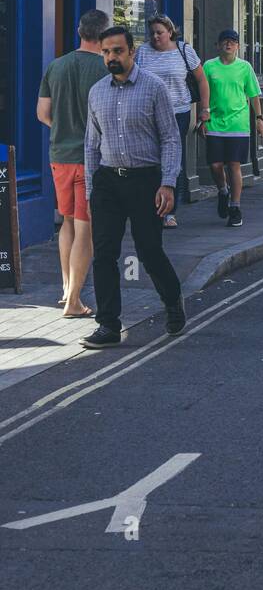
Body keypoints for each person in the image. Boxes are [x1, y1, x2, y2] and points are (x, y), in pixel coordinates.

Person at [81, 25, 185, 348]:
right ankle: (109, 325)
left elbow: (170, 137)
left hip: (145, 181)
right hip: (108, 181)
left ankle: (172, 300)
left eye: (118, 51)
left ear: (132, 52)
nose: (112, 57)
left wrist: (168, 183)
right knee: (104, 254)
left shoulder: (153, 88)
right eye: (106, 52)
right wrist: (90, 191)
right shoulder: (97, 92)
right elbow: (90, 145)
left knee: (149, 251)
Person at [36, 8, 110, 318]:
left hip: (59, 157)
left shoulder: (56, 66)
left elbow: (42, 113)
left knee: (66, 221)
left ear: (79, 31)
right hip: (91, 159)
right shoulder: (106, 68)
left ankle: (67, 288)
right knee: (86, 228)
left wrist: (63, 130)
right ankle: (74, 301)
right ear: (103, 35)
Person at [134, 14, 209, 227]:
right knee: (150, 158)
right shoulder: (142, 52)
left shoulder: (184, 50)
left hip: (178, 112)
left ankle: (169, 212)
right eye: (152, 33)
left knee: (173, 158)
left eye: (160, 32)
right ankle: (152, 206)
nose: (156, 37)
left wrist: (205, 109)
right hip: (149, 113)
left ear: (170, 31)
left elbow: (202, 80)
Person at [202, 29, 263, 227]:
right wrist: (201, 118)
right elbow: (202, 93)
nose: (228, 45)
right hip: (214, 122)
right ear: (218, 45)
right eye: (225, 41)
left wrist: (259, 118)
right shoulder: (209, 66)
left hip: (238, 123)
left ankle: (235, 207)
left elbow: (254, 95)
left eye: (232, 42)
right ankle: (222, 190)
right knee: (215, 165)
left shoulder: (245, 67)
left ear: (238, 46)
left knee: (234, 165)